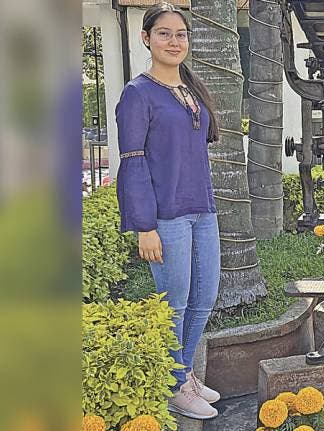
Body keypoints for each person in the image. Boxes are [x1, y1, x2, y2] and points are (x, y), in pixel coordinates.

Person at [115, 2, 222, 419]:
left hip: (202, 210)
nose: (174, 41)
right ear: (146, 38)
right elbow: (133, 162)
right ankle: (175, 385)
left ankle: (183, 372)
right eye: (164, 33)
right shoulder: (137, 94)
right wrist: (145, 226)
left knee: (203, 298)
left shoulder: (191, 89)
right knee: (174, 304)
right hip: (165, 217)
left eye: (181, 34)